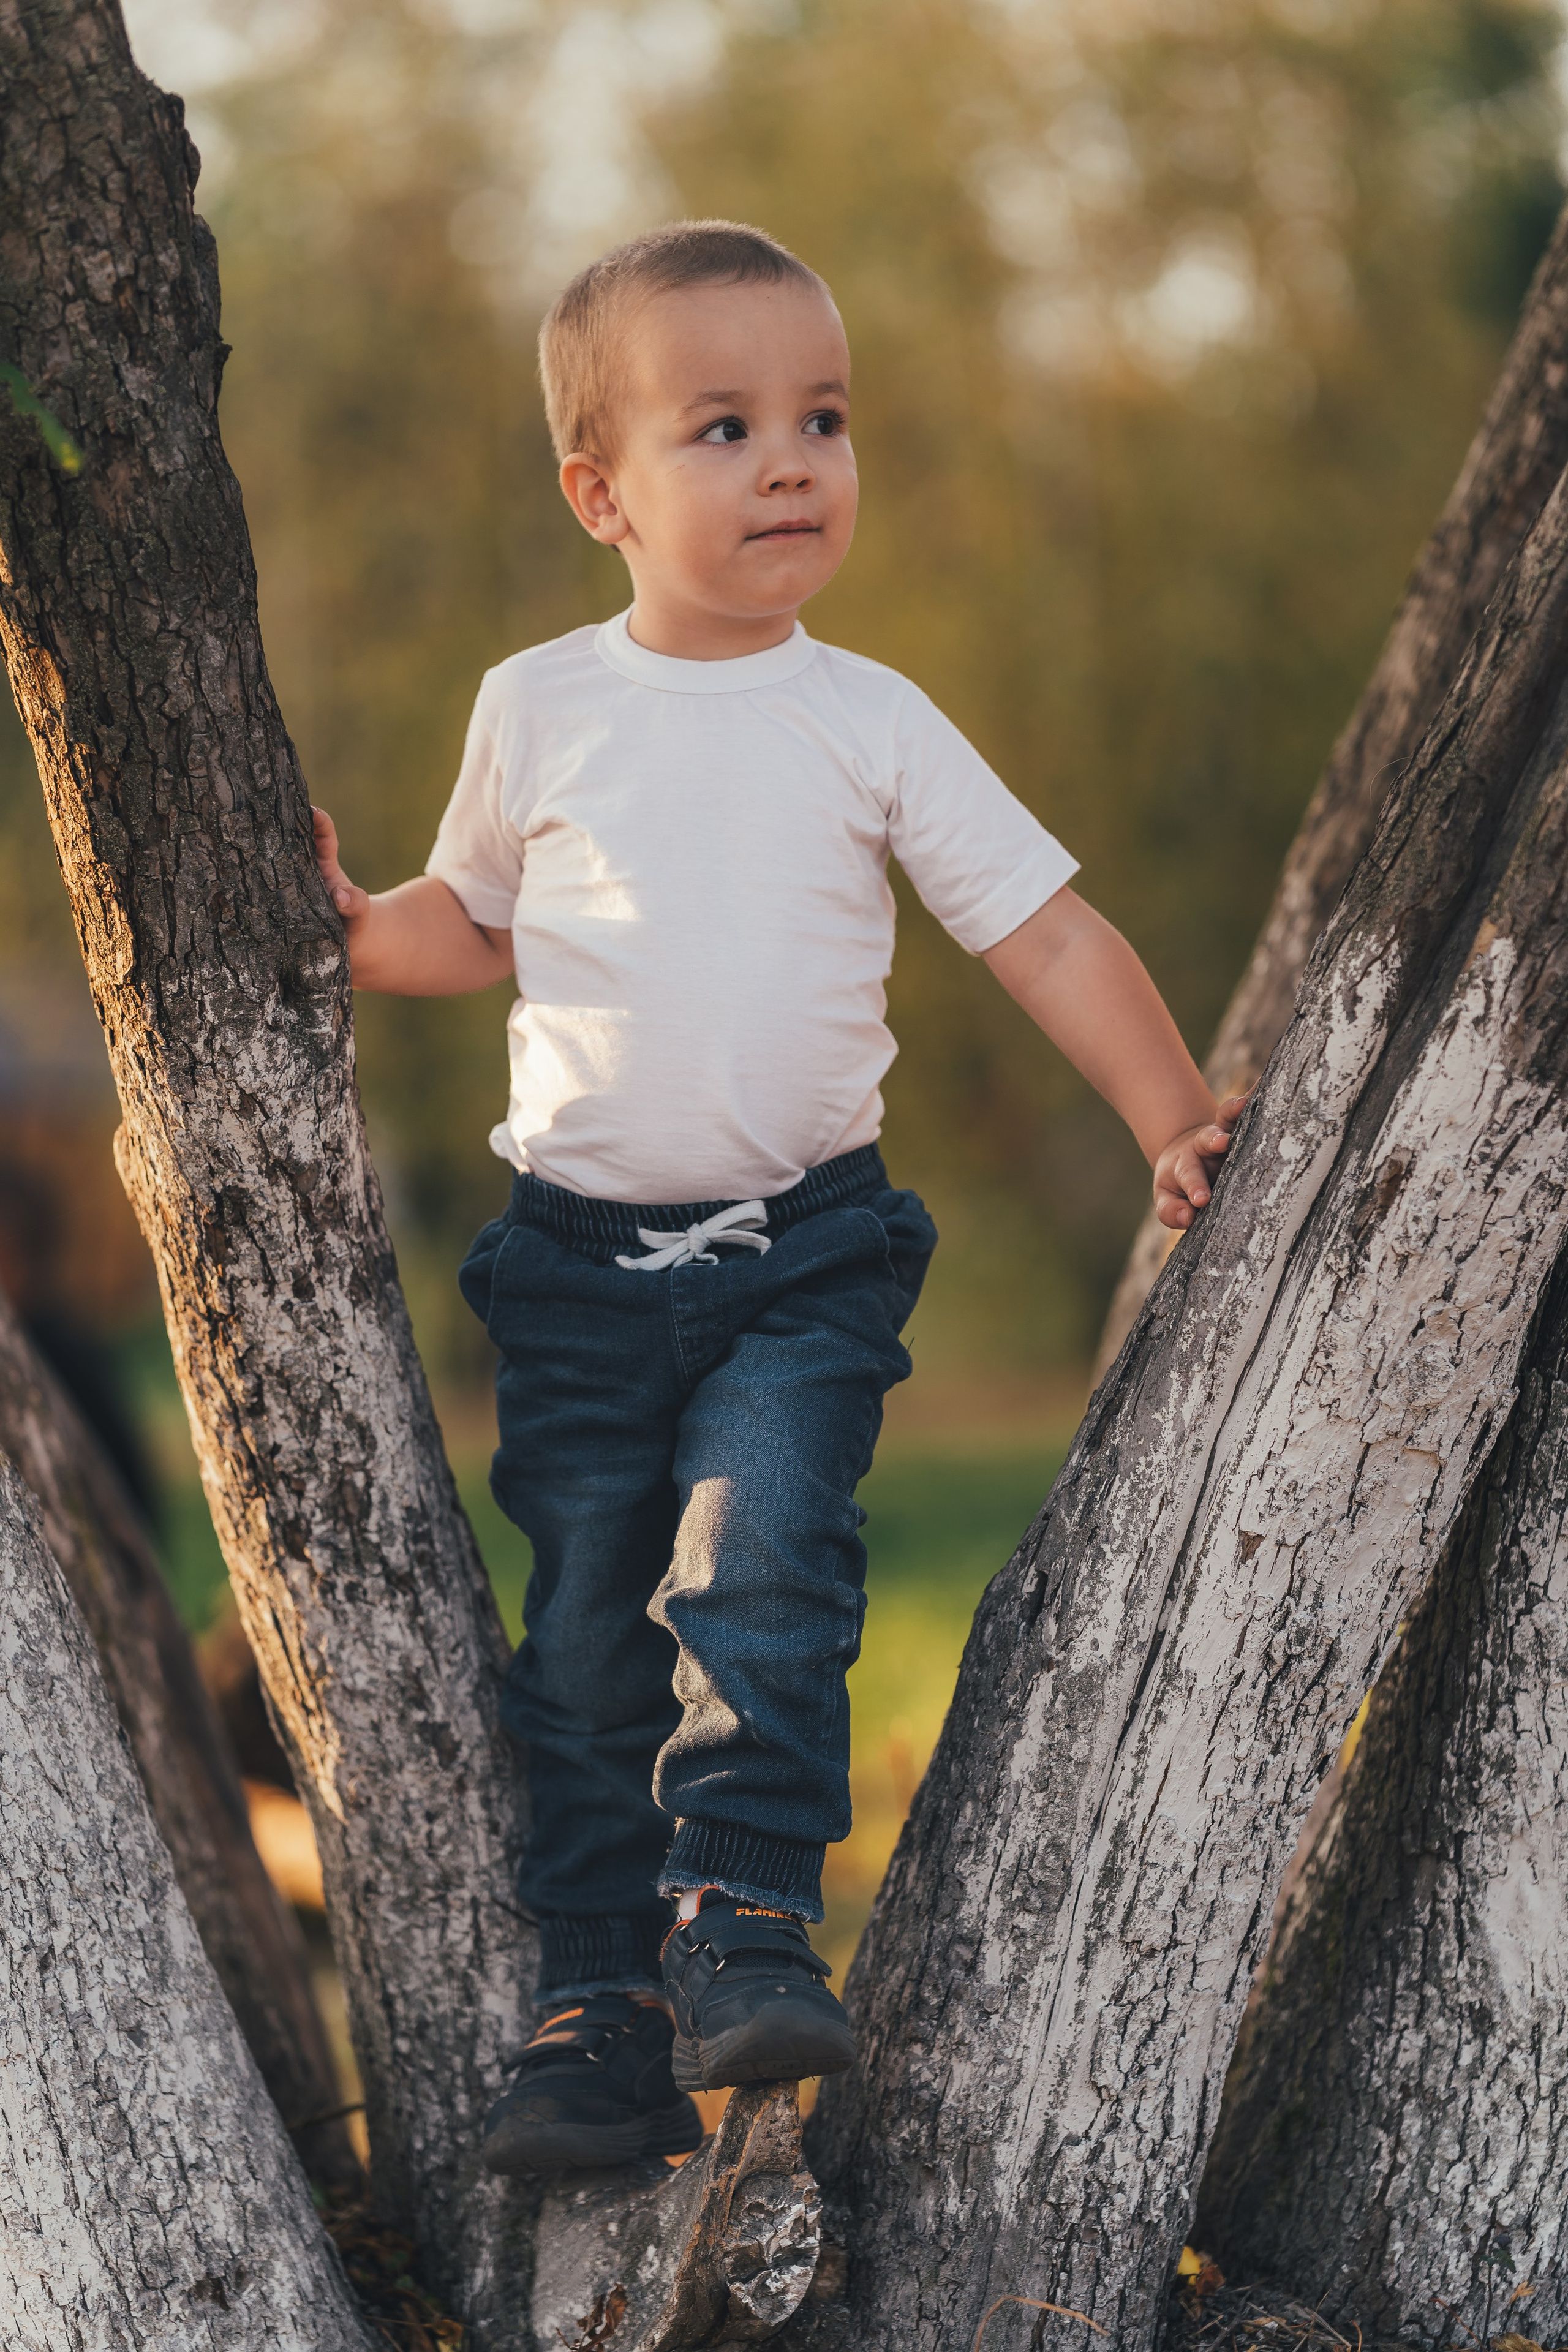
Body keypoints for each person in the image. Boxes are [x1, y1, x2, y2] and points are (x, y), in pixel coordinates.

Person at [312, 219, 1245, 2177]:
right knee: (585, 1639)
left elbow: (1045, 934)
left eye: (824, 418)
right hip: (575, 1274)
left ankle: (741, 1915)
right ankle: (598, 2011)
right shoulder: (537, 704)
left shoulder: (869, 718)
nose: (794, 464)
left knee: (761, 1565)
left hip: (801, 1254)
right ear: (602, 495)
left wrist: (1171, 1110)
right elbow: (472, 920)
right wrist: (348, 928)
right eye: (724, 428)